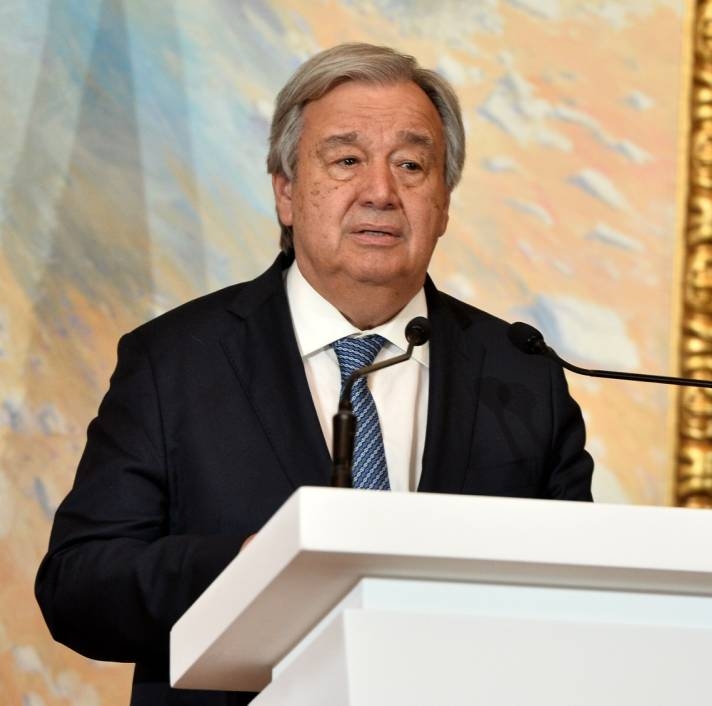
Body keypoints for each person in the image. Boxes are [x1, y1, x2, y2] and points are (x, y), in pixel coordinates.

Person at [35, 43, 593, 706]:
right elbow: (78, 588)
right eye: (347, 160)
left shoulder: (521, 374)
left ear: (444, 202)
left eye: (412, 165)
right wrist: (247, 568)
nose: (381, 192)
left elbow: (577, 599)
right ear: (287, 193)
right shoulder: (175, 362)